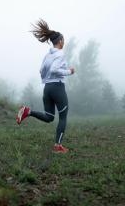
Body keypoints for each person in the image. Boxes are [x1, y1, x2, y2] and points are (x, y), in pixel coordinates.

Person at [16, 19, 75, 153]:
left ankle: (28, 111)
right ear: (60, 41)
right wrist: (69, 72)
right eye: (63, 40)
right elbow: (54, 70)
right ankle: (58, 146)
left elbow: (41, 70)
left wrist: (46, 80)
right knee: (63, 117)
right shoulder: (60, 54)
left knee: (49, 117)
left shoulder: (47, 55)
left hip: (47, 89)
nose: (64, 42)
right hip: (57, 88)